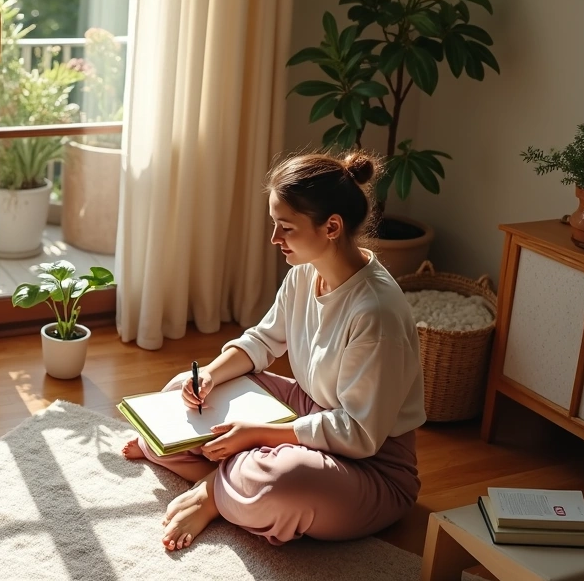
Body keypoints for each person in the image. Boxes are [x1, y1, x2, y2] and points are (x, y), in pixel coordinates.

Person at [122, 150, 426, 550]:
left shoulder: (376, 314)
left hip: (371, 465)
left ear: (331, 227)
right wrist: (211, 374)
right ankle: (231, 480)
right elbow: (263, 341)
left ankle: (213, 489)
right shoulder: (304, 274)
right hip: (307, 409)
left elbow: (358, 434)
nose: (274, 239)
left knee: (279, 484)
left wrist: (257, 435)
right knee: (181, 391)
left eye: (285, 227)